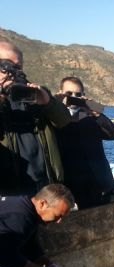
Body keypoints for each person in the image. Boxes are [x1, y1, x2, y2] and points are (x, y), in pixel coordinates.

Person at [0, 39, 70, 196]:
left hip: (43, 187)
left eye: (17, 67)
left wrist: (47, 102)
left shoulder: (32, 94)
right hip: (8, 190)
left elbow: (64, 121)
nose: (13, 72)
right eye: (6, 66)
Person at [55, 76, 114, 208]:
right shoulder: (53, 118)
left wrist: (96, 114)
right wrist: (56, 106)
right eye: (69, 93)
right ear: (60, 93)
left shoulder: (90, 117)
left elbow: (113, 134)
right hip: (66, 184)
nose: (73, 97)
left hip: (95, 182)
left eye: (78, 94)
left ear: (83, 95)